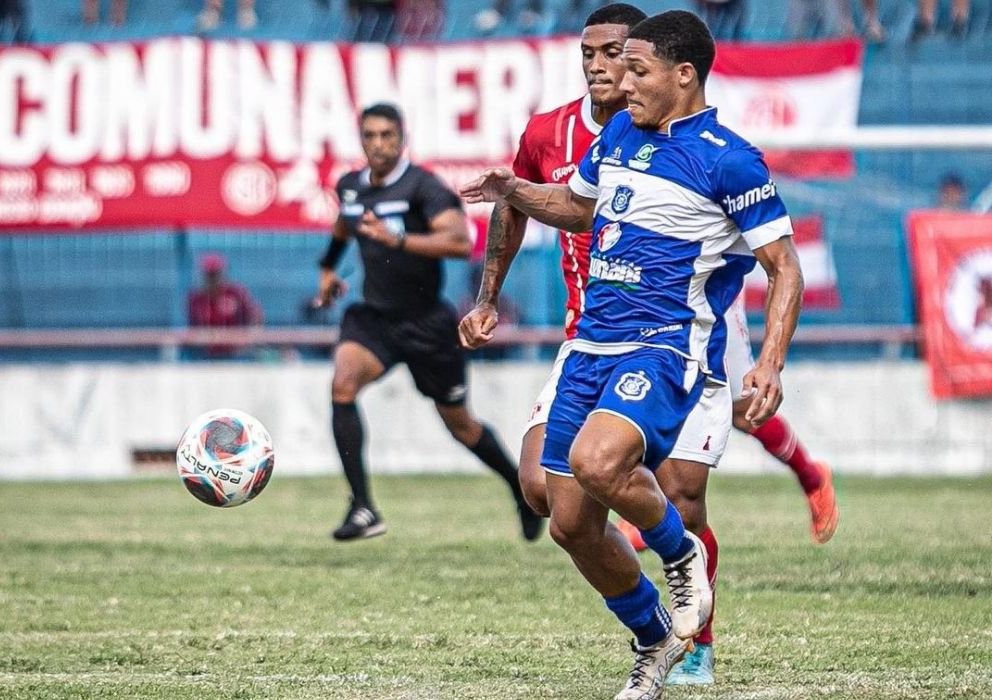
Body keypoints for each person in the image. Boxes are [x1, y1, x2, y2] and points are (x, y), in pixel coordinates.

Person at [461, 1, 834, 686]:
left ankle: (680, 553)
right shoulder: (619, 138)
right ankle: (655, 638)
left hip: (664, 346)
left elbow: (786, 267)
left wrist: (770, 364)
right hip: (590, 343)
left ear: (683, 75)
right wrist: (513, 189)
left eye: (635, 69)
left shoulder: (731, 162)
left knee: (601, 464)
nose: (620, 83)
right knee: (558, 509)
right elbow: (577, 206)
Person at [315, 103, 541, 543]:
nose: (379, 144)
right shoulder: (350, 188)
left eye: (387, 136)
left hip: (426, 325)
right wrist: (327, 268)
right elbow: (344, 226)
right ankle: (363, 508)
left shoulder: (423, 187)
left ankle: (518, 488)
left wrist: (398, 239)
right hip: (375, 319)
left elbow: (460, 242)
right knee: (342, 385)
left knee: (460, 425)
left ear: (402, 139)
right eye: (370, 136)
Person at [187, 253, 263, 358]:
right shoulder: (195, 298)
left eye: (215, 274)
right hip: (207, 355)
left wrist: (249, 340)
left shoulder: (235, 292)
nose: (212, 278)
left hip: (237, 353)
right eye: (209, 274)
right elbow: (193, 329)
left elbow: (256, 316)